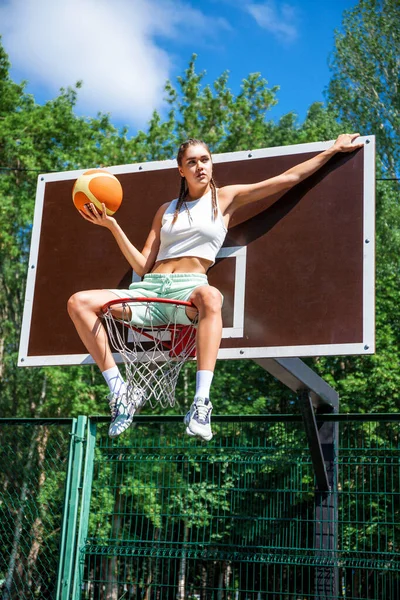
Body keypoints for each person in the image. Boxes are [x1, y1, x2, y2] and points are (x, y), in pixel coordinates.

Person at [67, 133, 363, 440]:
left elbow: (288, 178)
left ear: (212, 163)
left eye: (204, 159)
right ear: (180, 169)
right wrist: (112, 227)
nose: (199, 167)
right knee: (79, 302)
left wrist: (332, 150)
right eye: (191, 162)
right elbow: (142, 265)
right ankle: (121, 394)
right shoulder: (166, 209)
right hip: (151, 292)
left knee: (211, 296)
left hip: (188, 289)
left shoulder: (225, 198)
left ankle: (201, 403)